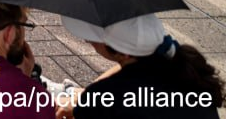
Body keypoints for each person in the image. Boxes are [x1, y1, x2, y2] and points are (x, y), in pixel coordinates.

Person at [58, 13, 223, 118]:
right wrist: (87, 96)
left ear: (123, 54)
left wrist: (84, 103)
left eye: (92, 39)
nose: (89, 42)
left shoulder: (109, 95)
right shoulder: (178, 63)